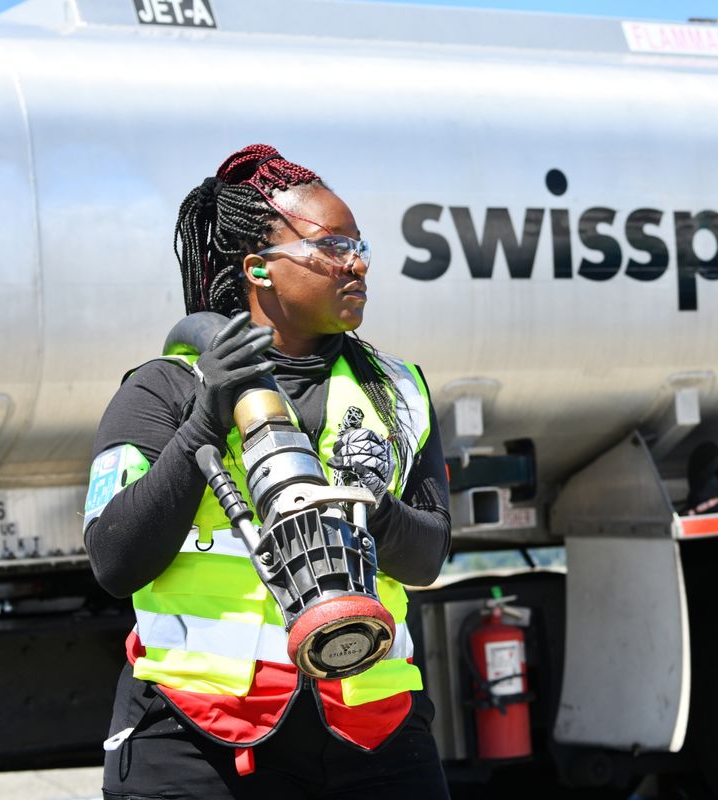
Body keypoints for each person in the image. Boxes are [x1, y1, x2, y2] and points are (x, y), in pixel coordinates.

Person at [83, 144, 452, 799]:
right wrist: (203, 425)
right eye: (332, 245)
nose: (357, 261)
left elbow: (426, 560)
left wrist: (373, 505)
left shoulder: (398, 391)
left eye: (359, 244)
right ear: (258, 268)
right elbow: (115, 562)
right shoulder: (164, 389)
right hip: (197, 744)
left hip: (376, 737)